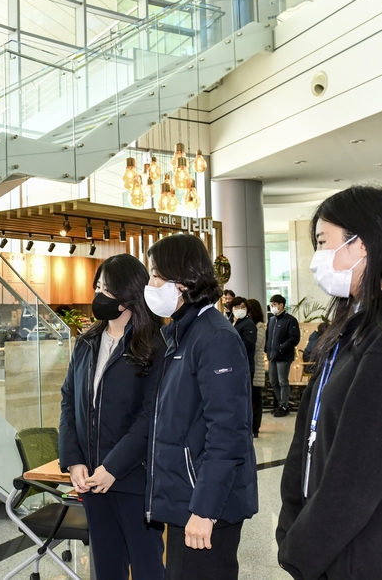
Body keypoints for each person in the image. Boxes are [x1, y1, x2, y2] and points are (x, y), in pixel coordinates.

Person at [275, 185, 382, 580]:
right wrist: (291, 524)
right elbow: (310, 436)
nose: (318, 257)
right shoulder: (352, 329)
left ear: (363, 244)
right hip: (338, 549)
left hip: (377, 556)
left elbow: (360, 472)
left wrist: (303, 547)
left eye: (324, 242)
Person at [140, 234, 257, 580]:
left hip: (205, 505)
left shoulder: (215, 337)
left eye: (157, 276)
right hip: (185, 500)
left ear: (184, 281)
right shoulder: (182, 334)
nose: (151, 285)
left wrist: (205, 510)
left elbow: (228, 431)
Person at [59, 254, 166, 580]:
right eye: (97, 288)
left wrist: (113, 468)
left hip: (134, 479)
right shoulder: (87, 343)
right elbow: (69, 402)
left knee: (148, 567)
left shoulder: (154, 346)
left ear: (127, 296)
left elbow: (150, 416)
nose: (98, 297)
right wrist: (74, 460)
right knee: (106, 569)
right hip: (92, 480)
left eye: (105, 290)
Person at [266, 294, 300, 417]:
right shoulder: (271, 320)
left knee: (282, 381)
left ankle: (284, 406)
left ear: (281, 305)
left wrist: (281, 348)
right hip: (272, 356)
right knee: (273, 381)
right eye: (271, 305)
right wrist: (268, 350)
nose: (273, 307)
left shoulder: (290, 320)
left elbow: (294, 338)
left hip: (283, 357)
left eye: (274, 304)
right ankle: (280, 404)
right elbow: (268, 337)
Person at [246, 298, 268, 438]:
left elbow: (255, 344)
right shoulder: (247, 325)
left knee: (256, 398)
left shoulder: (260, 327)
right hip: (249, 365)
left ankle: (256, 427)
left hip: (257, 367)